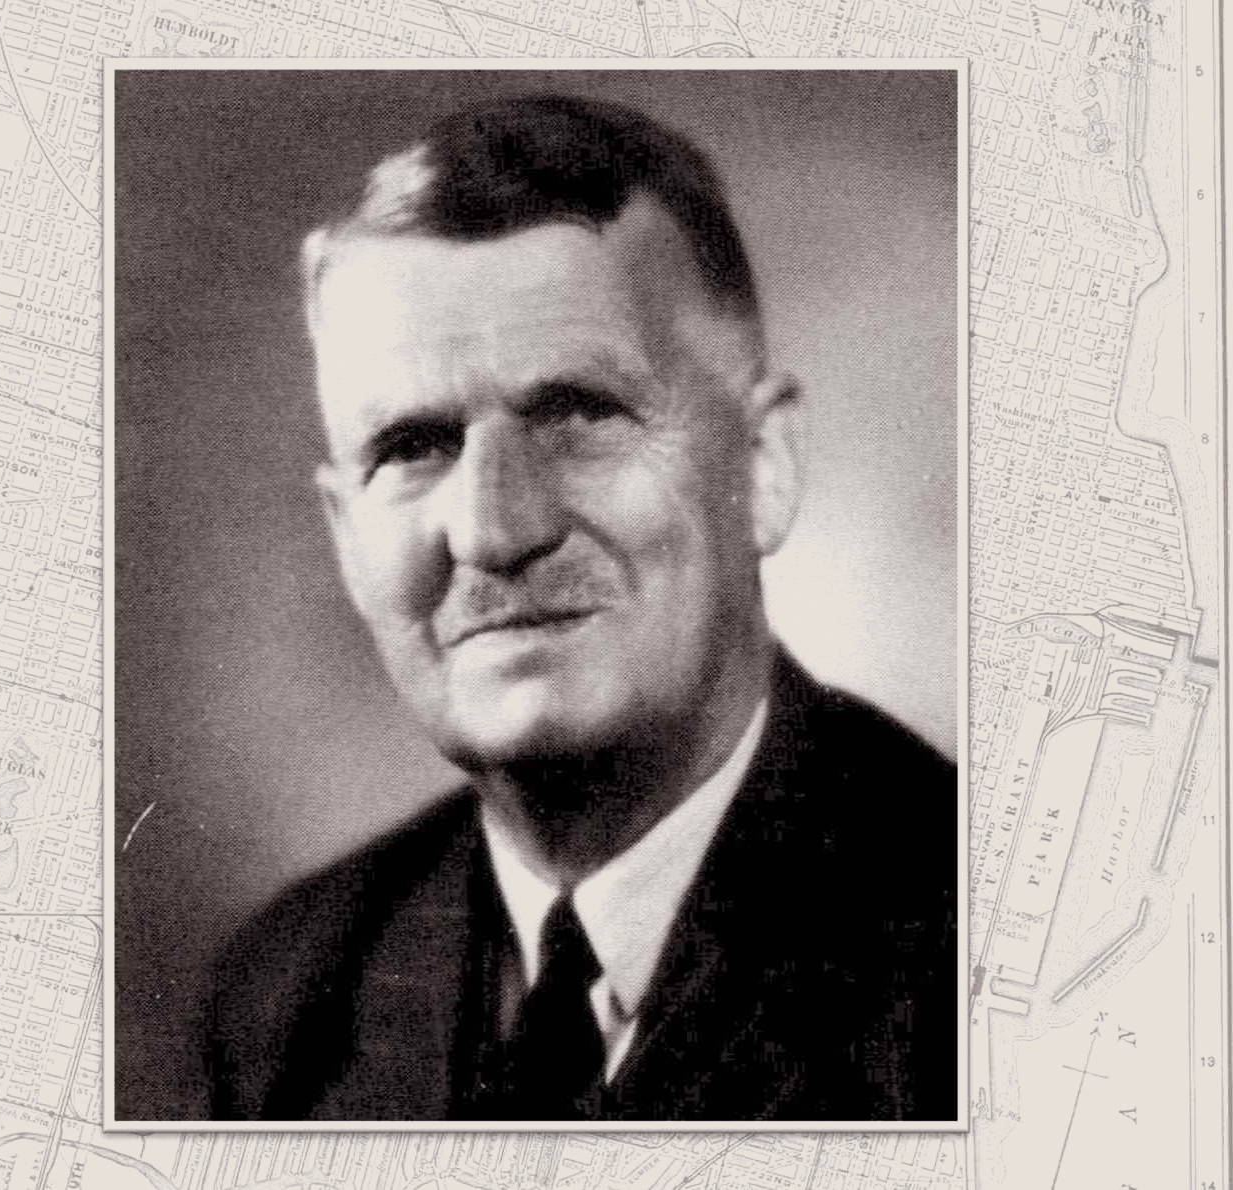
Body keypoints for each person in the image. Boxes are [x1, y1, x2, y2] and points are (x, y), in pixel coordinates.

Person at [200, 94, 957, 1123]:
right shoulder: (282, 1004)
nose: (493, 530)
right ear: (345, 536)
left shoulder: (995, 959)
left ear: (763, 465)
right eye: (413, 447)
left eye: (576, 414)